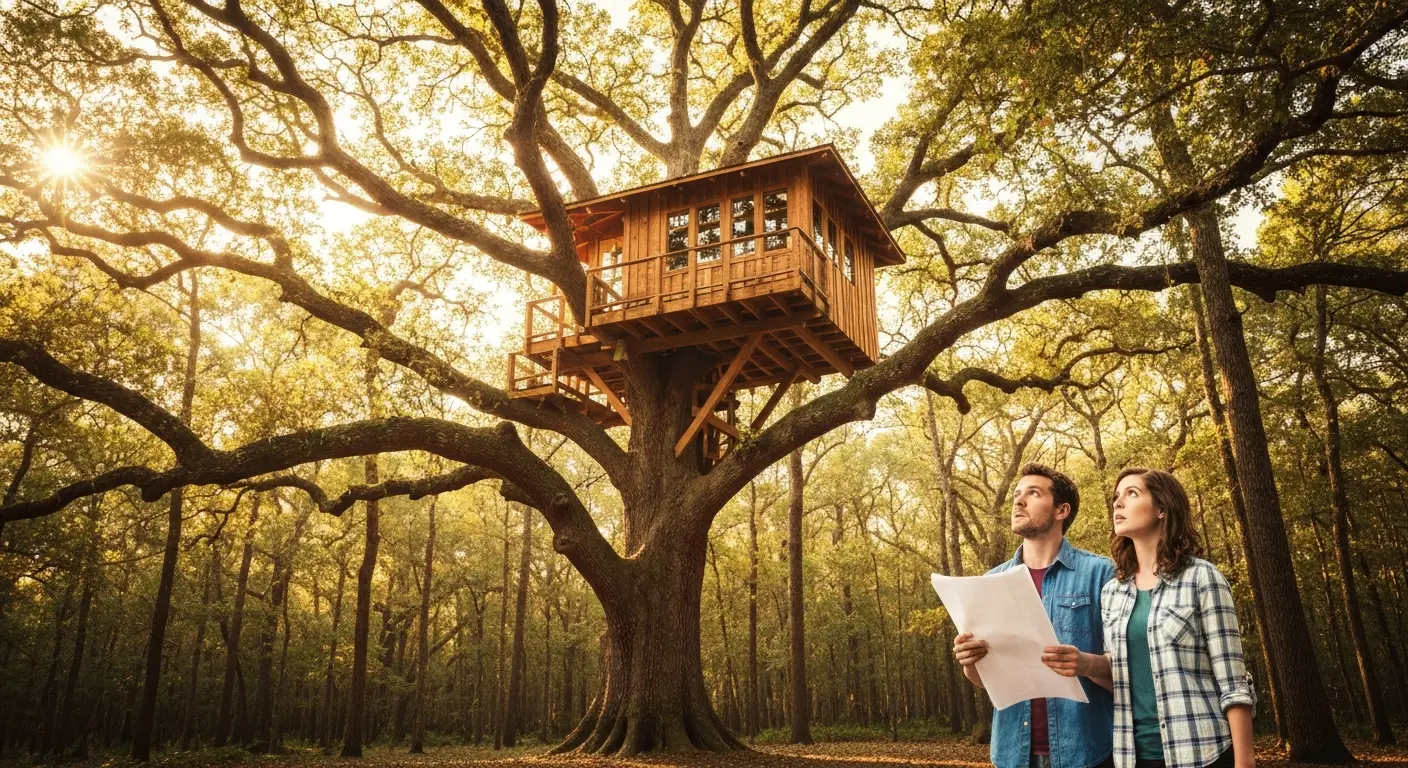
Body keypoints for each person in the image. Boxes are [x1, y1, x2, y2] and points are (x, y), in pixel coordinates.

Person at [953, 463, 1115, 768]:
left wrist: (1087, 664)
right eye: (1017, 494)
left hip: (1087, 752)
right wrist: (969, 661)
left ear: (1061, 511)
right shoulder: (990, 581)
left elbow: (1132, 671)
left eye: (1033, 493)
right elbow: (984, 680)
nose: (1019, 500)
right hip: (1013, 754)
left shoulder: (1101, 574)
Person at [1101, 467, 1256, 768]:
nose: (1118, 503)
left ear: (1161, 508)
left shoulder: (1202, 577)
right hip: (1132, 756)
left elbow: (1233, 680)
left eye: (1131, 494)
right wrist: (1080, 664)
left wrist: (1245, 761)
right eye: (1116, 497)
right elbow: (1119, 676)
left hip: (1201, 752)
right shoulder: (1111, 592)